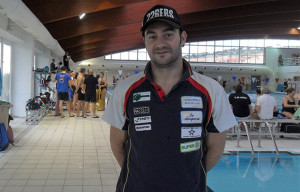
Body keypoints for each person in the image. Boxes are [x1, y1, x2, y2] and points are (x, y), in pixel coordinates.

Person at [102, 5, 237, 192]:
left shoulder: (210, 90)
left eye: (168, 34)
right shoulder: (126, 90)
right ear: (145, 41)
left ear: (182, 38)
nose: (160, 43)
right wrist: (139, 175)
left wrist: (188, 175)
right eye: (152, 36)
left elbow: (216, 147)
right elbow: (117, 143)